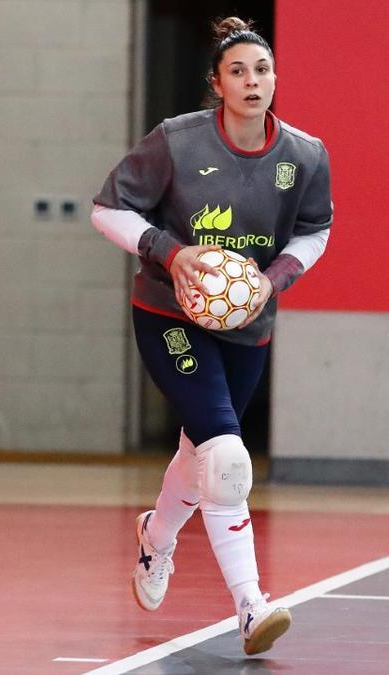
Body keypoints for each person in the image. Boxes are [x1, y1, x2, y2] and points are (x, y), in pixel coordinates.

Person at [91, 16, 332, 656]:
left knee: (201, 454)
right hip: (170, 315)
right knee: (226, 457)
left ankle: (156, 537)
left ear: (275, 79)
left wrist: (272, 280)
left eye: (262, 70)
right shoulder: (177, 142)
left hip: (247, 324)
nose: (253, 82)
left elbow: (315, 232)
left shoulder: (305, 156)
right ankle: (251, 607)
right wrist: (170, 254)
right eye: (238, 72)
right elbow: (107, 208)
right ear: (216, 84)